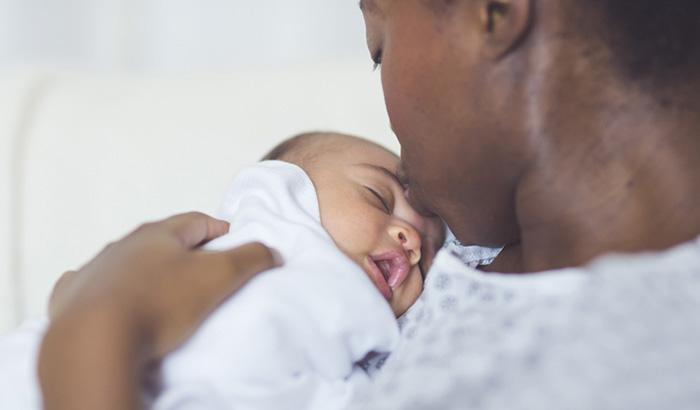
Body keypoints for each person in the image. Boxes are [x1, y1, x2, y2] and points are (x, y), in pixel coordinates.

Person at [38, 0, 700, 409]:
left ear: (493, 10)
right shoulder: (461, 251)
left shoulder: (653, 355)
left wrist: (101, 326)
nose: (414, 232)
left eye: (379, 45)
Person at [3, 131, 446, 410]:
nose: (408, 240)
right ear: (283, 188)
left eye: (426, 254)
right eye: (378, 197)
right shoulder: (255, 248)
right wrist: (104, 315)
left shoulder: (361, 360)